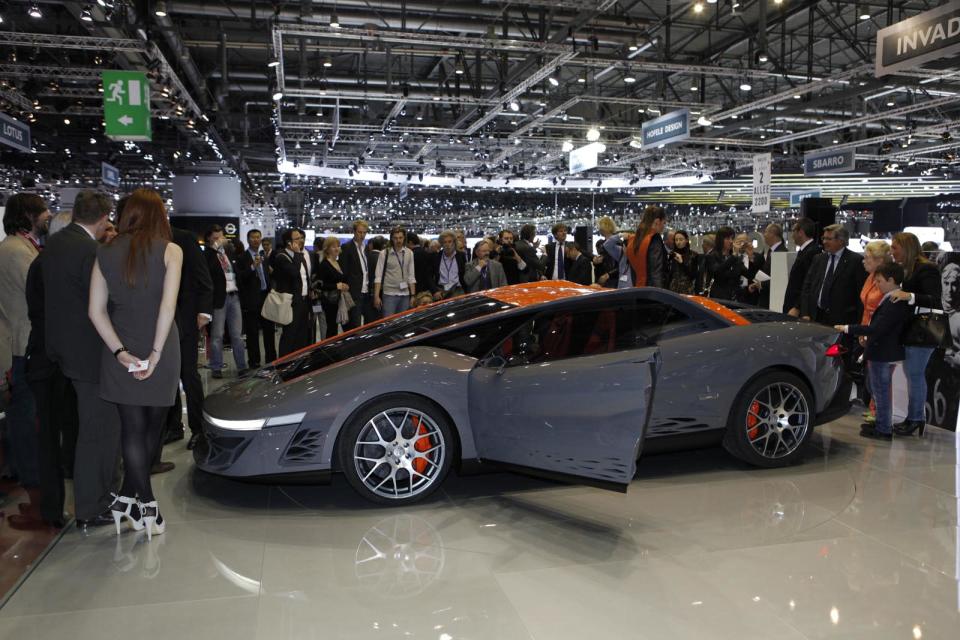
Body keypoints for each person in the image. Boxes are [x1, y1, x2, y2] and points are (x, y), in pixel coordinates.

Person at [88, 188, 181, 539]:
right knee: (150, 432)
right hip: (161, 349)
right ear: (160, 216)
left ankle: (128, 500)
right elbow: (167, 308)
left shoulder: (105, 251)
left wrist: (119, 353)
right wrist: (155, 355)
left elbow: (95, 311)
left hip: (122, 350)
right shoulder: (171, 250)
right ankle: (148, 504)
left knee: (132, 431)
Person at [43, 190, 120, 530]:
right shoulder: (92, 251)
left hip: (62, 349)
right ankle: (92, 505)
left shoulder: (55, 244)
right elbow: (101, 305)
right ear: (104, 219)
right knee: (99, 431)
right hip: (90, 354)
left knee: (85, 428)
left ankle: (95, 498)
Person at [0, 194, 49, 498]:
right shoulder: (17, 252)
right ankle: (29, 472)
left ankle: (23, 466)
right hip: (22, 343)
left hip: (22, 340)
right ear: (29, 215)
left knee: (23, 409)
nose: (48, 215)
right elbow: (38, 295)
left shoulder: (20, 247)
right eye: (43, 210)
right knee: (24, 411)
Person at [835, 261, 912, 441]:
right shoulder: (891, 299)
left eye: (879, 281)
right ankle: (881, 425)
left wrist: (847, 328)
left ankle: (884, 429)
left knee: (881, 392)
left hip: (883, 353)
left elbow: (877, 328)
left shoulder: (894, 302)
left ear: (891, 280)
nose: (876, 285)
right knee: (879, 391)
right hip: (883, 351)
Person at [889, 231, 943, 437]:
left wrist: (908, 296)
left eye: (895, 247)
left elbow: (935, 300)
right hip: (913, 330)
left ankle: (915, 418)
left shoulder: (926, 269)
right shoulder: (909, 269)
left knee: (914, 374)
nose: (892, 252)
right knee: (913, 374)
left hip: (923, 332)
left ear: (907, 247)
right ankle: (914, 417)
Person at [168, 226, 212, 452]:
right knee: (167, 376)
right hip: (158, 321)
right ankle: (173, 426)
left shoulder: (183, 238)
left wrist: (204, 312)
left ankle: (198, 429)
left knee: (188, 373)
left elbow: (203, 278)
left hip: (185, 319)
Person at [800, 224, 866, 327]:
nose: (824, 242)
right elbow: (807, 287)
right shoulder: (818, 259)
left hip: (842, 322)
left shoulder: (856, 261)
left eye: (828, 239)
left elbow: (860, 295)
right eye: (824, 238)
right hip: (816, 317)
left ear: (841, 241)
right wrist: (805, 313)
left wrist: (858, 326)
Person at [203, 226, 248, 378]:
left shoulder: (228, 252)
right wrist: (215, 249)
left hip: (234, 296)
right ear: (209, 238)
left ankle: (242, 366)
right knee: (217, 335)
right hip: (219, 298)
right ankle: (216, 367)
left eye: (221, 237)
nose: (220, 240)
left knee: (237, 335)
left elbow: (235, 271)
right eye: (216, 238)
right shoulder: (207, 255)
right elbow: (207, 273)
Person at [857, 240, 893, 429]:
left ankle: (880, 416)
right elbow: (866, 307)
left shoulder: (886, 280)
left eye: (868, 258)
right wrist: (862, 331)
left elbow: (882, 310)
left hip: (880, 331)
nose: (864, 261)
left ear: (879, 260)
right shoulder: (870, 277)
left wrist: (870, 332)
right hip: (868, 327)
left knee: (880, 377)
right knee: (872, 374)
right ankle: (875, 409)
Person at [236, 229, 276, 368]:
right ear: (248, 240)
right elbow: (240, 278)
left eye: (258, 237)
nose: (256, 240)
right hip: (251, 299)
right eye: (253, 237)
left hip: (265, 297)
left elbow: (267, 276)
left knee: (269, 331)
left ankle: (271, 359)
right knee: (252, 333)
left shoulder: (263, 256)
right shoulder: (242, 258)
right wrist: (253, 267)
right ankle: (254, 361)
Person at [273, 228, 313, 356]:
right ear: (288, 242)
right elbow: (294, 273)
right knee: (290, 335)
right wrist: (297, 254)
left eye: (301, 238)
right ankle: (283, 365)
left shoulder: (300, 255)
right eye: (297, 239)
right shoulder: (281, 256)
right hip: (291, 302)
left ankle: (298, 364)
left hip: (304, 300)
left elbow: (305, 277)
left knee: (302, 335)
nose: (301, 241)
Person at [339, 220, 377, 330]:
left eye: (364, 232)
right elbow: (344, 271)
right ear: (354, 232)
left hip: (367, 292)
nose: (362, 235)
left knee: (370, 323)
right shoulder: (346, 247)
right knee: (355, 325)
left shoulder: (366, 248)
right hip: (354, 292)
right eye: (360, 232)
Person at [373, 226, 417, 316]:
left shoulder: (409, 253)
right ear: (391, 239)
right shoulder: (384, 253)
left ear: (404, 238)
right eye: (395, 238)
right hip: (389, 294)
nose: (398, 240)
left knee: (402, 324)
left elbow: (411, 276)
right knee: (388, 323)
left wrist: (413, 295)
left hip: (405, 294)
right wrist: (376, 296)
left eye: (400, 237)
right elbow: (378, 276)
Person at [783, 218, 821, 316]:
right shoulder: (805, 251)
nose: (792, 235)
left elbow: (808, 283)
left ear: (800, 232)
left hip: (799, 310)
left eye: (793, 231)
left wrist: (797, 307)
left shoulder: (812, 252)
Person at [626, 205, 668, 288]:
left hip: (638, 288)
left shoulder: (633, 240)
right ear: (657, 221)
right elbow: (656, 272)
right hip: (653, 293)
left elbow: (633, 272)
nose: (664, 226)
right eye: (664, 223)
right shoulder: (654, 239)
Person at [316, 236, 349, 338]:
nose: (336, 249)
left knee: (335, 327)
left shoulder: (337, 263)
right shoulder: (324, 265)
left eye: (338, 246)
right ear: (327, 249)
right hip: (329, 301)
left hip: (338, 300)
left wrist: (345, 285)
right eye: (333, 246)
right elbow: (320, 285)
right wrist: (337, 285)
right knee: (331, 328)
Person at [705, 226, 747, 300]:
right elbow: (718, 272)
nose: (731, 241)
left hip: (735, 297)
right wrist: (733, 257)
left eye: (732, 238)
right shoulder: (712, 256)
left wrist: (751, 258)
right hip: (719, 297)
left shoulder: (735, 257)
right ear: (720, 240)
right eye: (727, 239)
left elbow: (747, 273)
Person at [752, 223, 786, 309]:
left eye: (766, 232)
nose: (764, 235)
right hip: (767, 297)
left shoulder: (781, 252)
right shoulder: (772, 251)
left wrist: (762, 284)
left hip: (774, 300)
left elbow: (780, 279)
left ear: (773, 234)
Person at [431, 229, 468, 300]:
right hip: (441, 290)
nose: (447, 244)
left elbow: (464, 273)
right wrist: (434, 291)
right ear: (441, 244)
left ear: (454, 242)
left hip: (457, 290)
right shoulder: (435, 257)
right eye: (444, 242)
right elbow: (429, 275)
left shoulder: (461, 256)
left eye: (450, 241)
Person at [733, 232, 762, 305]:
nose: (742, 244)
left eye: (744, 241)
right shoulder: (732, 258)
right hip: (735, 294)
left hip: (752, 293)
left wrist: (751, 256)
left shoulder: (758, 257)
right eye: (739, 241)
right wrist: (735, 253)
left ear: (749, 242)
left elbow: (758, 275)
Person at [667, 230, 697, 295]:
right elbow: (668, 274)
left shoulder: (693, 255)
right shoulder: (672, 255)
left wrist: (682, 263)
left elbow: (693, 275)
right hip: (673, 290)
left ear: (686, 240)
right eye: (676, 240)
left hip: (687, 290)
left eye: (681, 239)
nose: (678, 242)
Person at [593, 217, 618, 289]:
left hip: (613, 280)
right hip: (601, 279)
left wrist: (608, 275)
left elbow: (622, 265)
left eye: (600, 227)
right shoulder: (600, 244)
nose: (599, 229)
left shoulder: (618, 243)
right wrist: (595, 261)